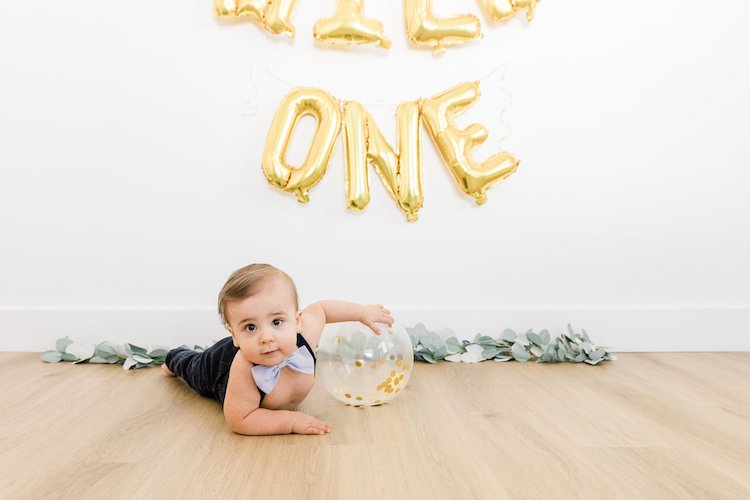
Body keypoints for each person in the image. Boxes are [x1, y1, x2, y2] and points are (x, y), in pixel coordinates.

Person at [162, 263, 394, 436]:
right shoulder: (245, 368)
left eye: (276, 322)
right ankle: (173, 358)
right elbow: (240, 420)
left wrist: (362, 312)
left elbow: (322, 309)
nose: (266, 337)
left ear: (297, 321)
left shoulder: (305, 334)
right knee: (193, 366)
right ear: (235, 335)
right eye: (250, 327)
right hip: (220, 366)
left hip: (254, 347)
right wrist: (290, 421)